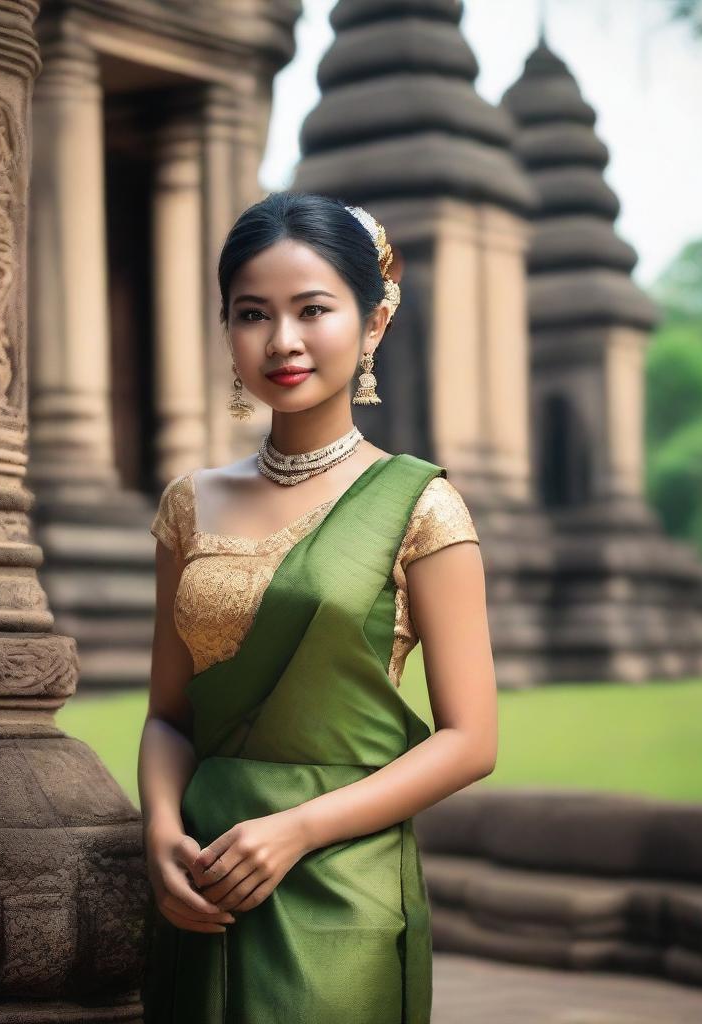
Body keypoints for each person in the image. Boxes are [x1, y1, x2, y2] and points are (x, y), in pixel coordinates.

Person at [138, 190, 498, 1023]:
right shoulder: (189, 505)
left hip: (342, 886)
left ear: (372, 324)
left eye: (313, 310)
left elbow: (472, 740)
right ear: (227, 330)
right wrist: (159, 833)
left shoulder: (420, 506)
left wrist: (295, 830)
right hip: (201, 882)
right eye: (253, 313)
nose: (283, 341)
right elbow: (169, 716)